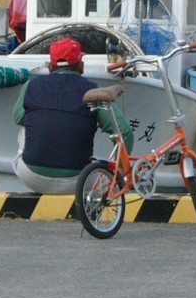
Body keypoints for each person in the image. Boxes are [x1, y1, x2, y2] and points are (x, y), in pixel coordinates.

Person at [12, 37, 133, 194]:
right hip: (78, 182)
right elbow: (125, 132)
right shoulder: (93, 91)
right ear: (81, 67)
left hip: (31, 178)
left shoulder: (31, 85)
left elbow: (18, 118)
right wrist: (119, 170)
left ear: (49, 67)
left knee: (26, 123)